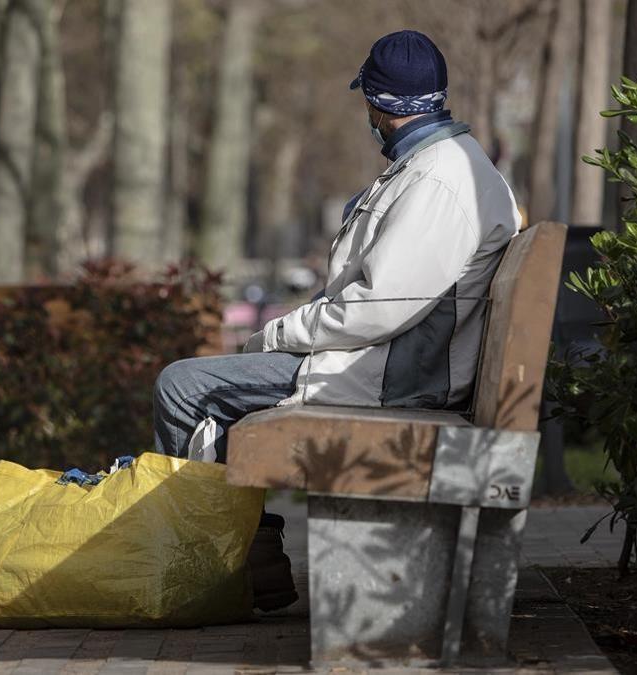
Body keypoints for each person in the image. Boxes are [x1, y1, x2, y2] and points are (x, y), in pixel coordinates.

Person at [152, 29, 521, 611]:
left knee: (184, 387)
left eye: (368, 103)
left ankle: (201, 570)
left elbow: (377, 308)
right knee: (202, 385)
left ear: (378, 104)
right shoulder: (436, 166)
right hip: (392, 362)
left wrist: (275, 334)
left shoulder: (438, 179)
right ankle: (248, 562)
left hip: (393, 375)